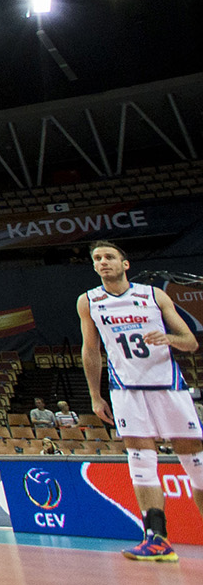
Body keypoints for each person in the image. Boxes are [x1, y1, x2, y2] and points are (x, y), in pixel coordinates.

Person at [78, 239, 203, 562]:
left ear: (125, 263)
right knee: (141, 465)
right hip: (126, 391)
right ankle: (157, 539)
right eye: (97, 258)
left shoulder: (152, 294)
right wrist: (95, 395)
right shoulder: (89, 301)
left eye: (109, 257)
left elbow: (190, 342)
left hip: (168, 387)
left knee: (196, 465)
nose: (103, 262)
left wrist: (169, 339)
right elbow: (91, 351)